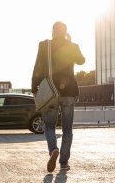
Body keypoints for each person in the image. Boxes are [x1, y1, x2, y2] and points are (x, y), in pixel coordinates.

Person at [31, 21, 85, 172]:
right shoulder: (72, 46)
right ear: (65, 31)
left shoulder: (44, 46)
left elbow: (37, 67)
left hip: (50, 92)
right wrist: (71, 42)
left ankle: (53, 150)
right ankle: (63, 162)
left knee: (49, 126)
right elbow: (81, 61)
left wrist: (34, 88)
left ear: (53, 31)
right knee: (67, 130)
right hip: (69, 93)